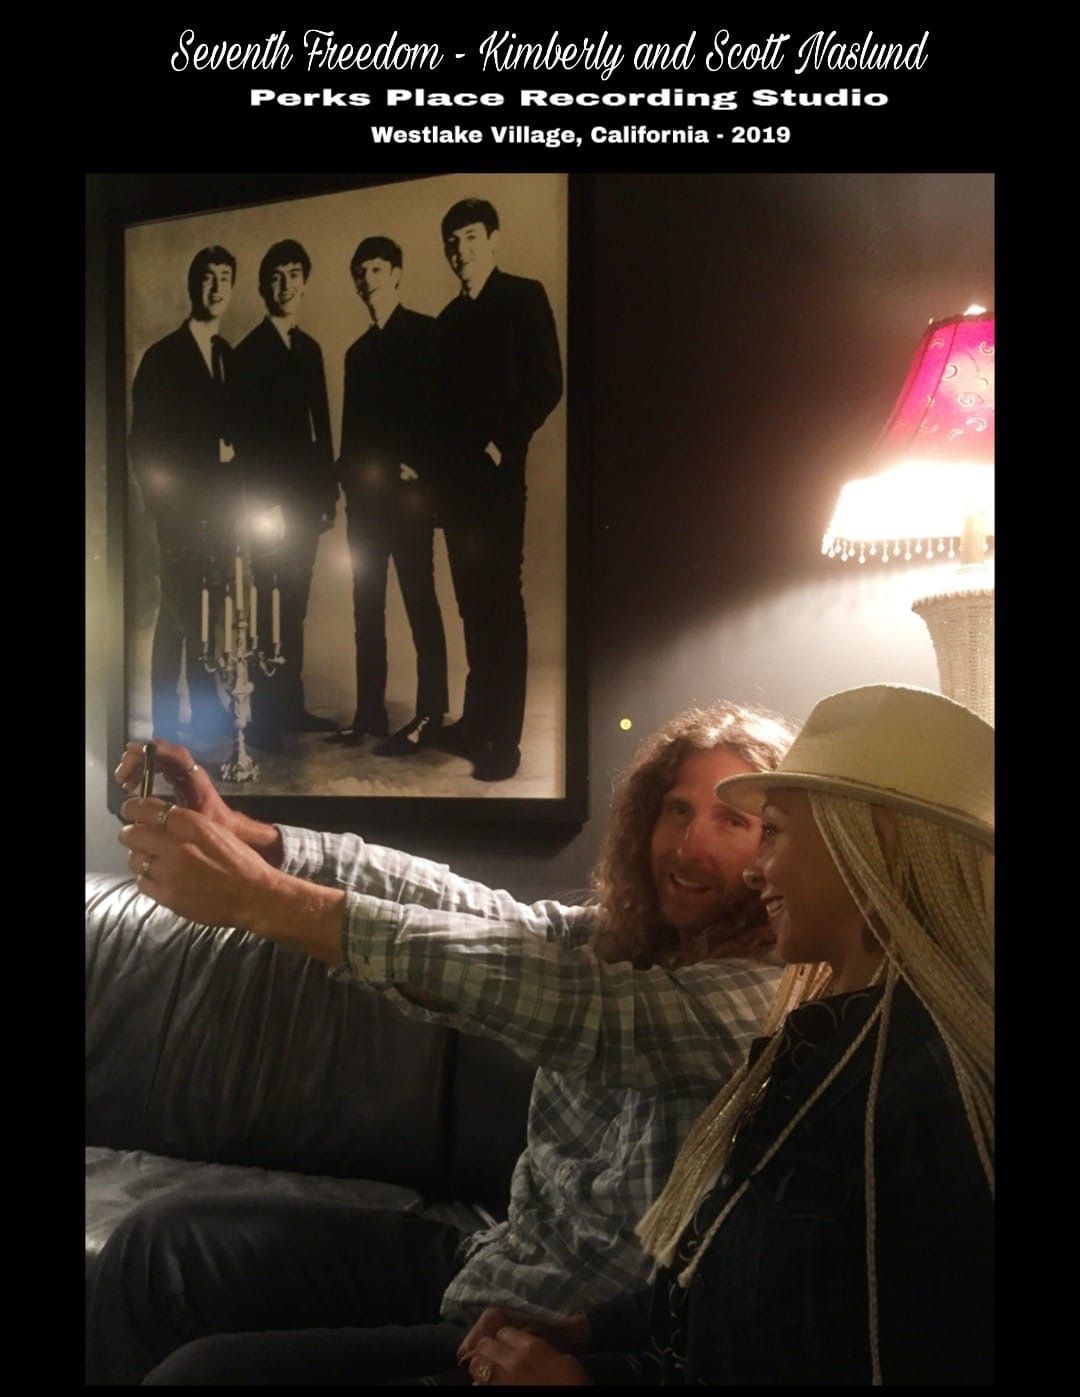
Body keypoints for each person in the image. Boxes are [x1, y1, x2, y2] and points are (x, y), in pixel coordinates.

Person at [89, 701, 794, 1385]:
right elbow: (475, 908)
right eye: (677, 810)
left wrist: (265, 900)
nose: (687, 845)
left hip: (552, 1332)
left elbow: (574, 1004)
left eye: (731, 820)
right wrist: (257, 840)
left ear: (779, 846)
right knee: (164, 1245)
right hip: (495, 1260)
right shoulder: (637, 939)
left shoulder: (766, 993)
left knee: (203, 1375)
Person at [450, 684, 995, 1386]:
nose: (756, 867)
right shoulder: (824, 1045)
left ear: (870, 846)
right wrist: (587, 1332)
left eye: (774, 832)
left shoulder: (919, 1092)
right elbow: (731, 1291)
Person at [434, 198, 563, 783]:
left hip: (497, 479)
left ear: (492, 239)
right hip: (454, 485)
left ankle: (503, 742)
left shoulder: (522, 296)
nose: (460, 249)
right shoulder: (447, 319)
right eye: (452, 241)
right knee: (470, 603)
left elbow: (548, 382)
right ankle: (476, 722)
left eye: (470, 237)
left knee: (500, 604)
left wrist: (501, 444)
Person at [327, 236, 449, 755]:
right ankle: (369, 713)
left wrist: (419, 468)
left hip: (409, 499)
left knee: (421, 602)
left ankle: (431, 713)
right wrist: (349, 483)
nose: (368, 278)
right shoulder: (357, 352)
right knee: (366, 607)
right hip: (366, 503)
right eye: (361, 271)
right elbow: (352, 431)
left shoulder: (425, 332)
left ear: (396, 273)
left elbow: (441, 411)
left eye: (377, 268)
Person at [231, 239, 339, 753]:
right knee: (265, 602)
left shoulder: (310, 348)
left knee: (294, 603)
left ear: (305, 282)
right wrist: (265, 502)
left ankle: (290, 705)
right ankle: (260, 717)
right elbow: (245, 438)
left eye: (295, 274)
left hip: (306, 500)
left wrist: (327, 493)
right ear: (263, 287)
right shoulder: (248, 352)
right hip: (268, 506)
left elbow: (322, 427)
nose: (286, 284)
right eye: (276, 276)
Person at [128, 245, 237, 746]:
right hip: (178, 513)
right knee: (177, 615)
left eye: (224, 278)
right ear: (193, 286)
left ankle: (208, 713)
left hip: (220, 512)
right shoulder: (162, 357)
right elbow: (144, 442)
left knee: (208, 613)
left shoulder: (228, 356)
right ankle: (166, 725)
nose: (216, 287)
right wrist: (163, 504)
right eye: (207, 278)